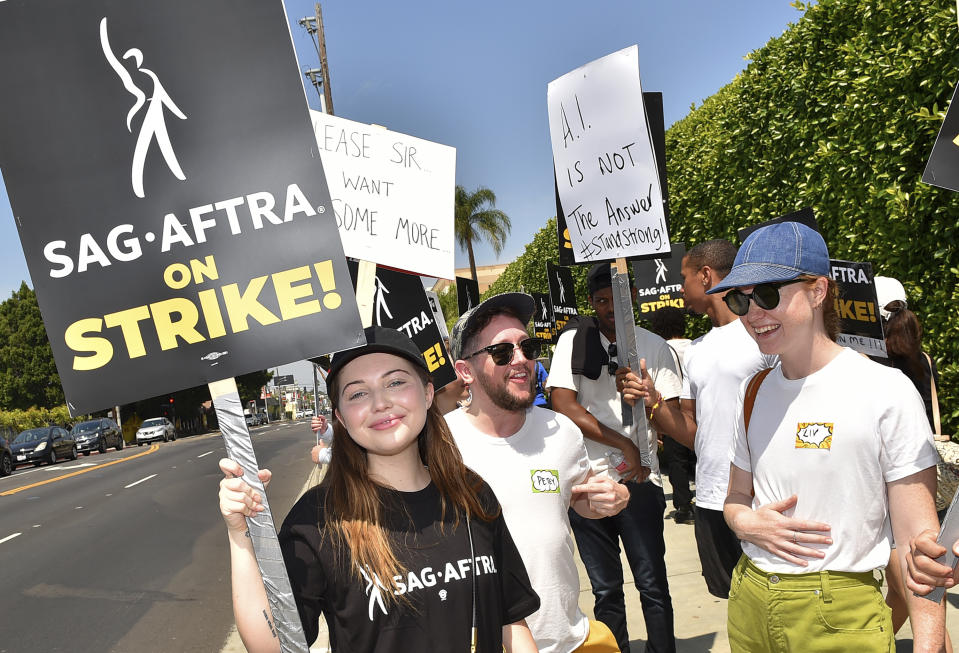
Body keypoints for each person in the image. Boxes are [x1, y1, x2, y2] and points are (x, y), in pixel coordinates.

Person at [218, 326, 540, 653]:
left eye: (396, 382)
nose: (380, 403)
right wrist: (242, 532)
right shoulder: (315, 521)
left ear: (428, 393)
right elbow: (271, 645)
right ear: (340, 417)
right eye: (358, 393)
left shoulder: (472, 494)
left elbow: (512, 622)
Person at [711, 221, 943, 652]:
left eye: (766, 294)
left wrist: (931, 645)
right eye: (740, 300)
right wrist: (745, 522)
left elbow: (919, 545)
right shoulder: (754, 389)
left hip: (839, 612)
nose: (753, 314)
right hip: (749, 600)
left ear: (818, 291)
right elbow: (736, 497)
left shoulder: (885, 390)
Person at [447, 292, 629, 653]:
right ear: (465, 371)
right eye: (501, 353)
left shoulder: (562, 431)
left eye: (527, 348)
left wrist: (608, 498)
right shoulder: (440, 445)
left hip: (567, 638)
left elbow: (576, 500)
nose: (521, 360)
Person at [548, 264, 692, 653]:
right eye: (601, 301)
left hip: (640, 481)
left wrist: (649, 399)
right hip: (588, 484)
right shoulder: (573, 341)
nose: (610, 309)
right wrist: (622, 444)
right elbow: (562, 403)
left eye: (618, 301)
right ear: (591, 302)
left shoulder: (654, 346)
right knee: (606, 589)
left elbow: (675, 419)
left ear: (632, 300)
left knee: (652, 584)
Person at [673, 239, 778, 599]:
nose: (680, 289)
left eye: (684, 278)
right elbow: (692, 428)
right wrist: (652, 406)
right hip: (709, 498)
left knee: (772, 603)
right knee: (732, 601)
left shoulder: (761, 332)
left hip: (759, 498)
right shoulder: (696, 348)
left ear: (705, 276)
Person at [647, 306, 695, 524]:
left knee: (677, 462)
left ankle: (683, 506)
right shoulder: (696, 346)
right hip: (700, 411)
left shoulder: (659, 348)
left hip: (673, 410)